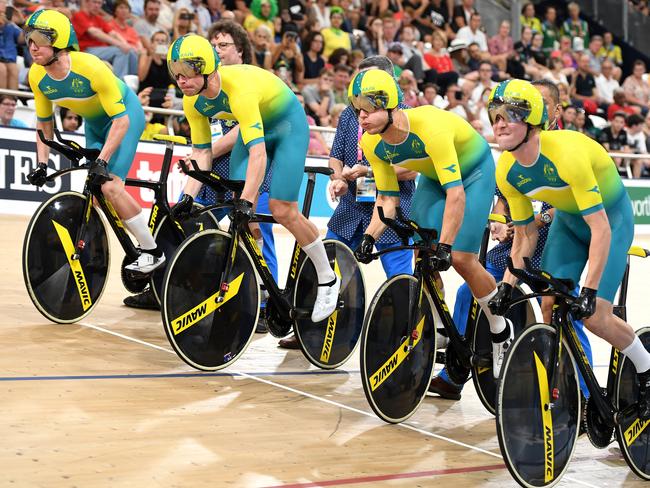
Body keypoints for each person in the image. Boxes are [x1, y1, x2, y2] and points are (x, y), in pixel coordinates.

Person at [487, 78, 650, 421]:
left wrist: (589, 290)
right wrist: (506, 286)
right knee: (550, 302)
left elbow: (601, 228)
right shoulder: (506, 169)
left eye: (509, 115)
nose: (499, 123)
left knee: (595, 315)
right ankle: (573, 392)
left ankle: (646, 367)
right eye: (494, 115)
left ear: (532, 122)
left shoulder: (568, 154)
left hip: (610, 220)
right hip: (569, 223)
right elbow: (525, 235)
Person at [429, 78, 593, 400]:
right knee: (469, 292)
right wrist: (501, 222)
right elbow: (505, 198)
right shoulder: (515, 147)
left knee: (562, 311)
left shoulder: (570, 147)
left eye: (540, 102)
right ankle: (455, 372)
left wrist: (539, 219)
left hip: (555, 245)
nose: (530, 108)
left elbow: (573, 207)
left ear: (556, 109)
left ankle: (585, 396)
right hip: (517, 246)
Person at [350, 68, 513, 378]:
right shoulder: (373, 144)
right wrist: (370, 236)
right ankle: (439, 324)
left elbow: (457, 196)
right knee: (422, 250)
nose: (362, 117)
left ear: (390, 105)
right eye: (358, 109)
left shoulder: (429, 128)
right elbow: (387, 199)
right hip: (436, 177)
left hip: (473, 173)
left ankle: (499, 327)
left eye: (369, 109)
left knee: (462, 258)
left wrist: (447, 246)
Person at [167, 34, 340, 323]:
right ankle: (260, 278)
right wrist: (187, 196)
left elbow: (258, 154)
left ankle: (327, 276)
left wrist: (249, 199)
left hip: (287, 126)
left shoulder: (239, 90)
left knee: (281, 209)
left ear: (207, 68)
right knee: (240, 208)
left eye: (187, 73)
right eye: (176, 75)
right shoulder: (192, 101)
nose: (181, 81)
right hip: (256, 129)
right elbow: (201, 154)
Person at [279, 55, 417, 349]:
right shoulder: (350, 113)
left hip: (392, 203)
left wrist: (370, 170)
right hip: (354, 203)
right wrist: (338, 177)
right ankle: (308, 327)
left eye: (371, 79)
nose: (362, 86)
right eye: (360, 78)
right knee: (326, 262)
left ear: (389, 83)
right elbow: (337, 154)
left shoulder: (407, 116)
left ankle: (405, 338)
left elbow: (414, 168)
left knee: (399, 276)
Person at [25, 10, 165, 275]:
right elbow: (44, 125)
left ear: (59, 41)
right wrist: (41, 164)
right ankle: (129, 246)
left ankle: (152, 251)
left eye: (38, 39)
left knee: (111, 186)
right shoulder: (37, 75)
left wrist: (102, 159)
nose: (32, 46)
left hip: (125, 116)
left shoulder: (90, 67)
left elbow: (121, 122)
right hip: (95, 125)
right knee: (97, 197)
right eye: (28, 39)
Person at [71, 0, 138, 80]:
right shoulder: (79, 15)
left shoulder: (98, 18)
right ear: (86, 2)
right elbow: (95, 33)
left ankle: (132, 83)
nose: (97, 5)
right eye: (94, 2)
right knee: (121, 51)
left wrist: (126, 45)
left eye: (99, 3)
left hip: (101, 50)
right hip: (86, 50)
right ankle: (119, 84)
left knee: (131, 51)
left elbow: (113, 33)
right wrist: (120, 45)